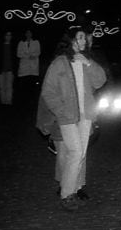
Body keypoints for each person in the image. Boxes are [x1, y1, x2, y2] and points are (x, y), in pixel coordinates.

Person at [40, 26, 107, 210]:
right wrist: (61, 111)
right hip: (67, 117)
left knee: (81, 153)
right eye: (79, 38)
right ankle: (67, 193)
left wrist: (88, 63)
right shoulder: (59, 63)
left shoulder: (87, 61)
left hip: (86, 116)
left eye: (84, 38)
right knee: (75, 152)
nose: (83, 41)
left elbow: (100, 80)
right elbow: (48, 91)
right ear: (70, 40)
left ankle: (75, 188)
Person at [16, 28, 42, 112]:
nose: (28, 34)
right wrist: (28, 56)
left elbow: (38, 52)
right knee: (24, 86)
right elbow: (19, 54)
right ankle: (24, 104)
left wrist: (29, 55)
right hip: (24, 69)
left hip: (33, 68)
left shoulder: (36, 42)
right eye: (27, 33)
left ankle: (32, 103)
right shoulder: (21, 43)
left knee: (32, 86)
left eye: (30, 33)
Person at [0, 30, 15, 106]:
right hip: (0, 70)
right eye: (7, 35)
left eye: (10, 35)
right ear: (4, 36)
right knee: (2, 87)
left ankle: (8, 102)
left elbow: (15, 59)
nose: (8, 37)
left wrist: (14, 70)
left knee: (9, 87)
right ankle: (3, 102)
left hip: (10, 70)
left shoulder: (13, 46)